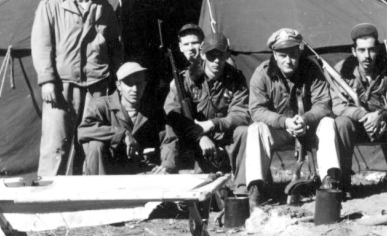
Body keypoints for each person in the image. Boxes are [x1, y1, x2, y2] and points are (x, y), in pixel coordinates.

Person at [31, 0, 123, 177]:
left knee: (90, 143)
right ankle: (47, 200)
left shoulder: (103, 7)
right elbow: (42, 45)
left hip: (96, 87)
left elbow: (115, 44)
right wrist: (47, 81)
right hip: (62, 87)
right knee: (55, 145)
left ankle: (86, 200)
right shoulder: (51, 5)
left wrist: (113, 79)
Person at [247, 28, 342, 204]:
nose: (288, 60)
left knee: (328, 122)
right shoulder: (262, 73)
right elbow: (256, 110)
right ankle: (256, 189)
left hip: (308, 129)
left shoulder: (311, 69)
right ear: (274, 54)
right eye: (282, 55)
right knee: (255, 129)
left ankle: (329, 183)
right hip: (279, 130)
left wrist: (305, 118)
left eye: (292, 54)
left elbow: (323, 104)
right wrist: (284, 122)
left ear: (299, 52)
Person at [333, 23, 387, 200]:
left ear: (377, 49)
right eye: (361, 50)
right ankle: (344, 182)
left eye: (371, 50)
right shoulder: (342, 70)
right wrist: (364, 116)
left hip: (384, 124)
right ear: (354, 51)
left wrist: (380, 115)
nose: (367, 56)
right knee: (341, 123)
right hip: (357, 127)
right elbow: (338, 105)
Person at [161, 32, 250, 186]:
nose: (216, 61)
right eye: (211, 55)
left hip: (224, 137)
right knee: (171, 127)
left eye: (220, 55)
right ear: (202, 55)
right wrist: (199, 136)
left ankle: (243, 190)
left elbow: (242, 113)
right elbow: (172, 113)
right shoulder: (185, 80)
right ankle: (168, 170)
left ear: (227, 55)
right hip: (194, 140)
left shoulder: (236, 78)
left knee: (245, 131)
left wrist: (214, 123)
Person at [78, 62, 165, 175]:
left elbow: (168, 139)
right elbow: (83, 131)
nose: (134, 89)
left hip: (143, 168)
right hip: (109, 169)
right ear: (118, 85)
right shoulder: (101, 106)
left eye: (139, 84)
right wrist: (121, 134)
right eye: (129, 84)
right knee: (96, 145)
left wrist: (166, 165)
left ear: (145, 84)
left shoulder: (152, 109)